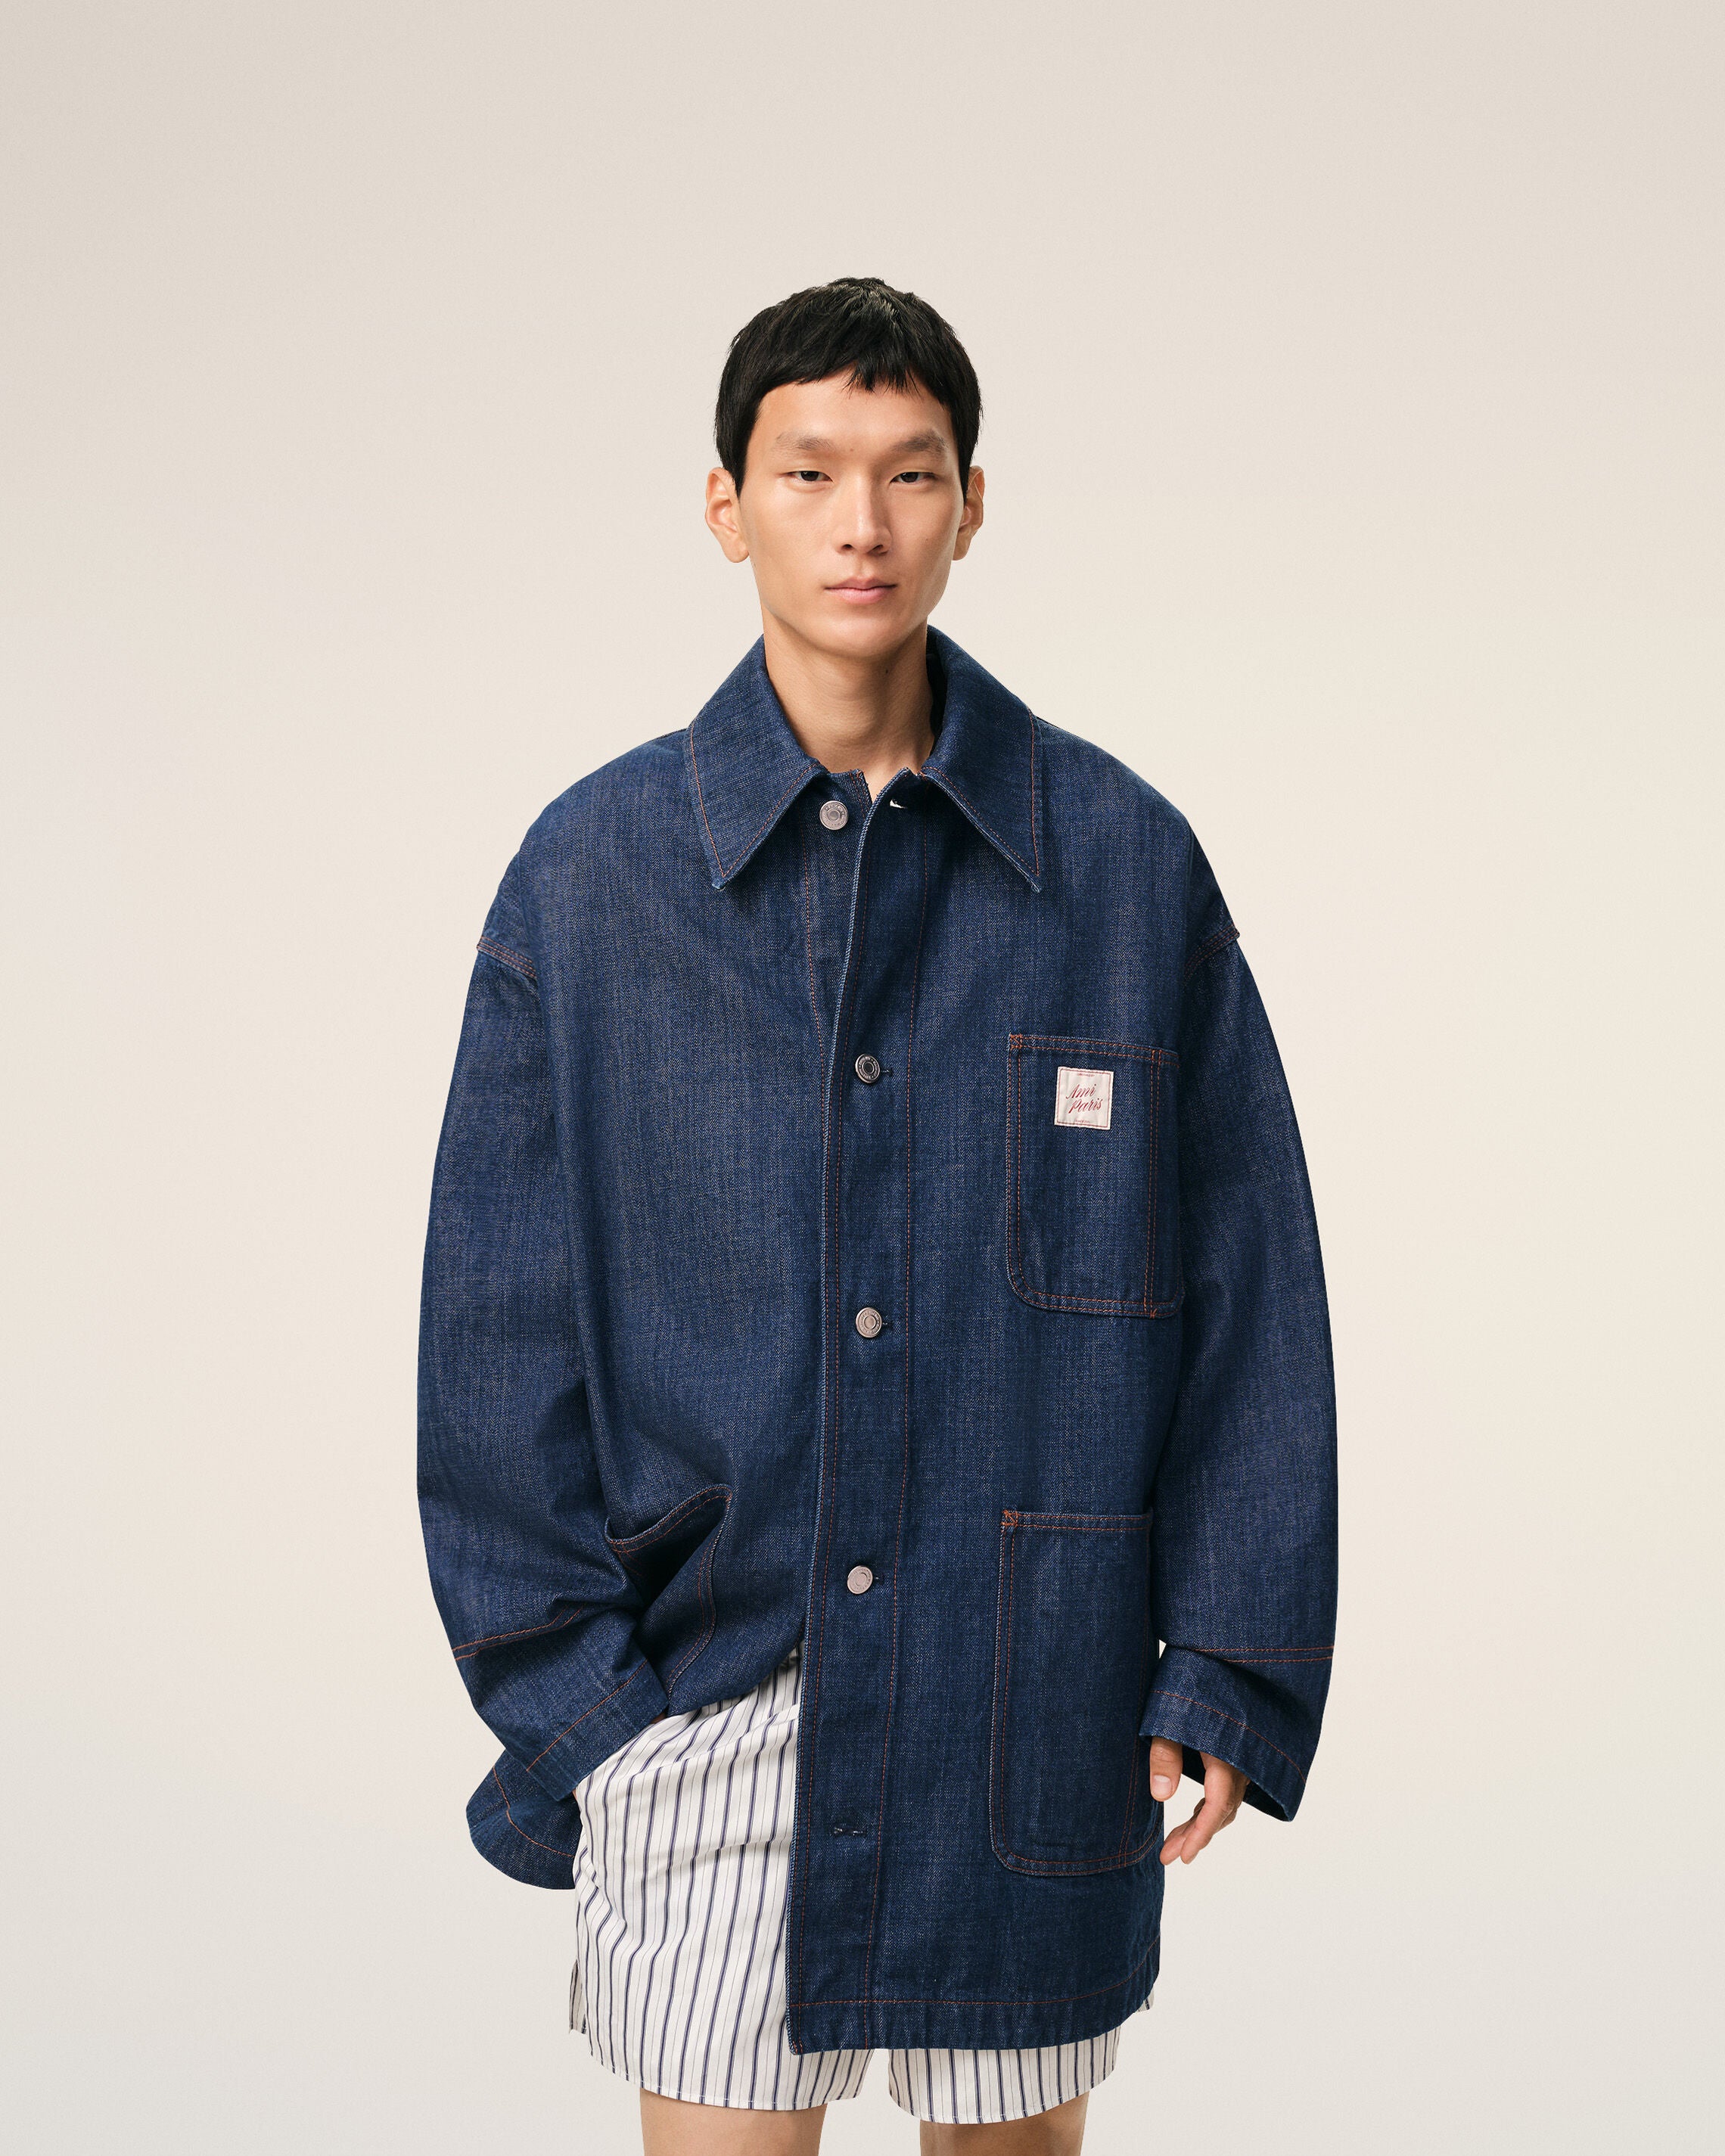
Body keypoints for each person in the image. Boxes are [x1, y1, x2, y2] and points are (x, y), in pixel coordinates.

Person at [418, 275, 1338, 2155]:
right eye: (810, 472)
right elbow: (492, 1338)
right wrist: (592, 1716)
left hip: (1032, 1710)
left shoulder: (1123, 867)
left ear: (971, 507)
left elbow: (1250, 1289)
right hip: (706, 1708)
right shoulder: (592, 883)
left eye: (911, 475)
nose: (862, 524)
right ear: (726, 505)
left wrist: (1226, 1660)